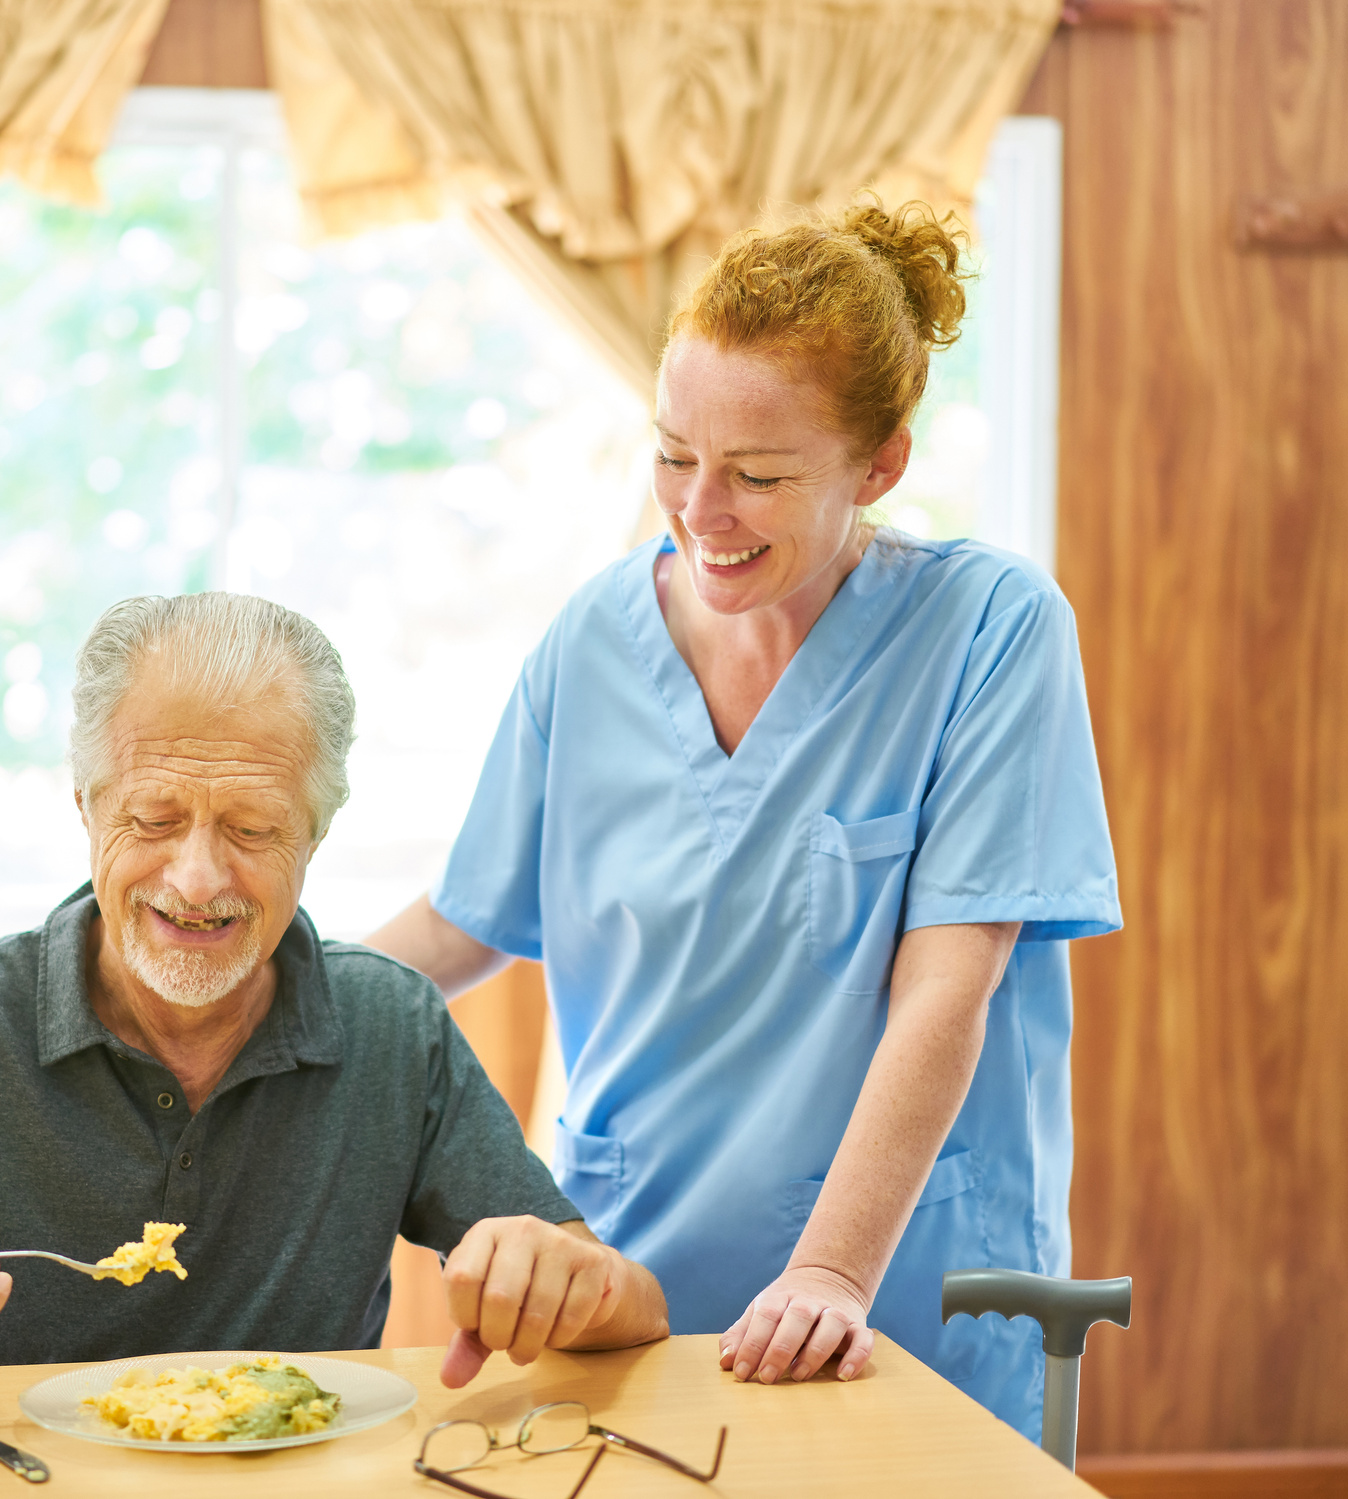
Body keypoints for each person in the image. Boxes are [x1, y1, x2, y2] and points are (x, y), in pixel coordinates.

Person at [367, 200, 1120, 1439]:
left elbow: (949, 987)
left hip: (898, 1292)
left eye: (760, 475)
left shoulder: (992, 630)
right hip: (631, 1284)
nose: (701, 509)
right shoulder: (592, 644)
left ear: (881, 465)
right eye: (674, 454)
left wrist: (830, 1273)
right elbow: (462, 924)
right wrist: (244, 1004)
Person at [0, 592, 666, 1392]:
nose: (197, 880)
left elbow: (633, 1310)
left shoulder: (391, 1027)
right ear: (88, 803)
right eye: (152, 819)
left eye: (251, 828)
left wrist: (573, 1280)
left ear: (317, 832)